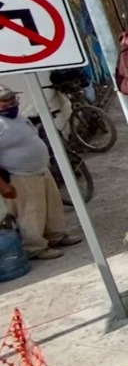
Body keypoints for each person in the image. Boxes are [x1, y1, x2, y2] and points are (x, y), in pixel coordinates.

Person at [0, 87, 81, 260]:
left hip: (41, 170)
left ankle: (56, 236)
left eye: (12, 98)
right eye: (5, 100)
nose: (11, 102)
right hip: (19, 175)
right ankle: (35, 247)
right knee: (31, 213)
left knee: (52, 206)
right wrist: (3, 185)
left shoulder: (19, 118)